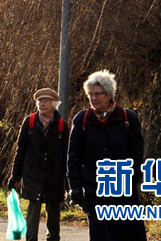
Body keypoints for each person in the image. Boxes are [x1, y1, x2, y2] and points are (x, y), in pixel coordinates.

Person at [67, 70, 147, 240]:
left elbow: (137, 154)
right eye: (90, 94)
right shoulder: (82, 120)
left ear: (109, 95)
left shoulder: (127, 118)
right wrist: (75, 187)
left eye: (98, 94)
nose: (93, 98)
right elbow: (73, 157)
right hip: (94, 191)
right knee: (100, 235)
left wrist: (132, 179)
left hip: (123, 191)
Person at [8, 88, 68, 241]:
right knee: (33, 207)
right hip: (33, 173)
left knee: (53, 209)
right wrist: (15, 175)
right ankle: (31, 239)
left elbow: (66, 154)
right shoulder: (29, 122)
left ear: (53, 104)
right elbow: (20, 150)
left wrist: (67, 181)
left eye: (46, 101)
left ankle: (53, 238)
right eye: (40, 101)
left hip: (54, 175)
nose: (42, 104)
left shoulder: (61, 125)